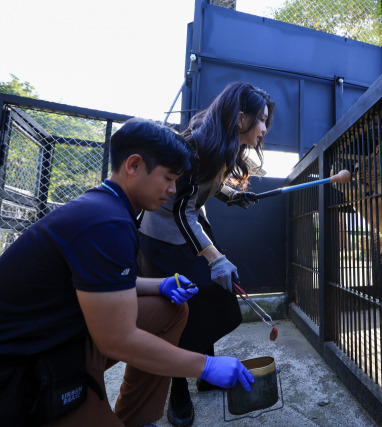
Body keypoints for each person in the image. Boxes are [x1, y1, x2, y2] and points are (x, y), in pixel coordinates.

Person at [0, 118, 254, 427]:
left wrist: (159, 285)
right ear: (134, 166)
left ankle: (137, 418)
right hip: (25, 362)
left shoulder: (109, 208)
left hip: (65, 330)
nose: (173, 190)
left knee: (170, 310)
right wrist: (206, 365)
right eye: (168, 178)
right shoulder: (107, 223)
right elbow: (117, 340)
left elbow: (101, 284)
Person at [137, 81, 275, 426]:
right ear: (241, 118)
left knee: (211, 298)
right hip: (164, 239)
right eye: (262, 120)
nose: (265, 129)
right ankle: (177, 387)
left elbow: (201, 191)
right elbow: (181, 211)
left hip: (190, 231)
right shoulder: (195, 147)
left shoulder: (222, 146)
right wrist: (215, 258)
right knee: (179, 310)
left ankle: (205, 372)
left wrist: (229, 194)